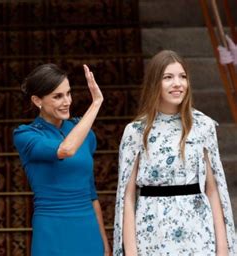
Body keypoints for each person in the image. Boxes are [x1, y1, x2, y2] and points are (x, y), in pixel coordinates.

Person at [113, 50, 236, 255]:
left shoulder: (203, 125)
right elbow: (127, 197)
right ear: (154, 83)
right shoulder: (136, 131)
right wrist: (131, 252)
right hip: (152, 234)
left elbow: (214, 189)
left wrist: (222, 249)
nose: (177, 83)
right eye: (168, 77)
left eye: (183, 76)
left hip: (198, 234)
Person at [13, 63, 111, 255]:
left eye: (68, 93)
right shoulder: (25, 135)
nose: (67, 101)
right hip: (52, 230)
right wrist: (96, 103)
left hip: (88, 229)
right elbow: (65, 150)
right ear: (37, 100)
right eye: (58, 96)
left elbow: (91, 194)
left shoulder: (85, 134)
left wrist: (103, 241)